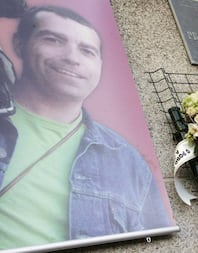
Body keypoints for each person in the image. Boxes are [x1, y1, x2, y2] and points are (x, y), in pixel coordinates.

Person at [0, 5, 172, 250]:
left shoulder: (128, 161)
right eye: (54, 40)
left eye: (87, 51)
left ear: (99, 64)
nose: (72, 57)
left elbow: (156, 244)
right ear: (20, 45)